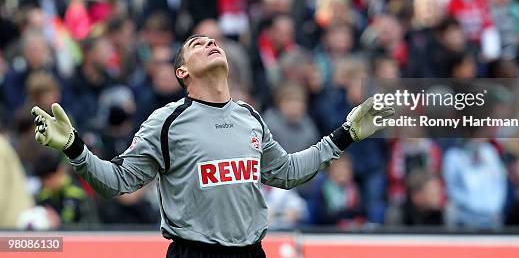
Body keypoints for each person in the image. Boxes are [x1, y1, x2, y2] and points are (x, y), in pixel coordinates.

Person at [31, 35, 393, 257]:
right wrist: (75, 148)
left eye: (213, 41)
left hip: (251, 253)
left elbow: (285, 173)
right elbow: (118, 182)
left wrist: (345, 134)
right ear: (182, 72)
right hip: (194, 254)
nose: (210, 44)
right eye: (197, 44)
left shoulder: (250, 117)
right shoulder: (167, 121)